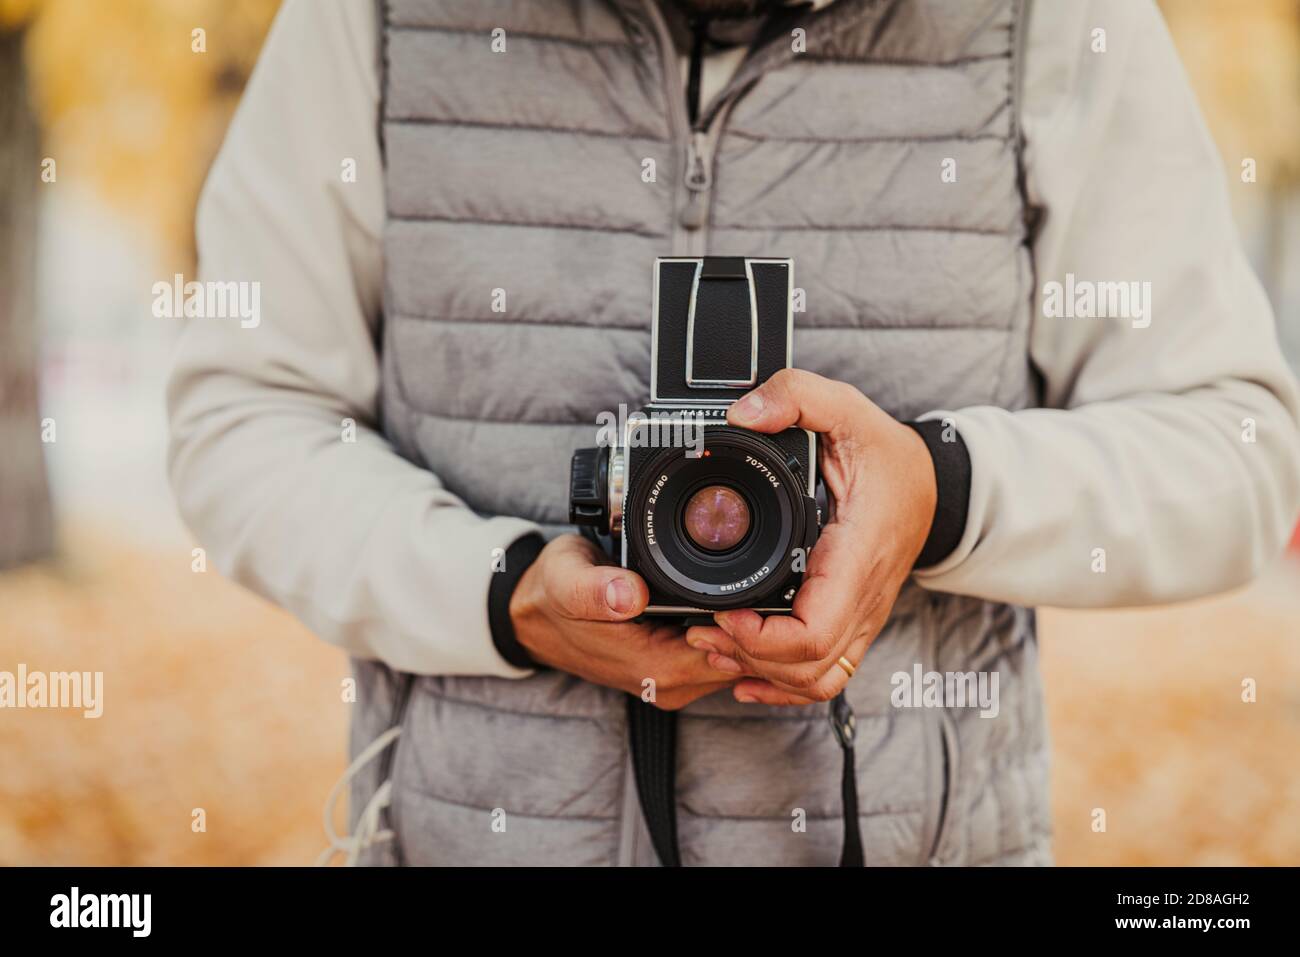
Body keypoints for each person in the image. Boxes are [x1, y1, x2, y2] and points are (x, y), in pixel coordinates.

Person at [167, 0, 1300, 866]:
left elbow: (1237, 453)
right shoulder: (373, 16)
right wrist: (500, 594)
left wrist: (940, 495)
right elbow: (243, 417)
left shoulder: (1048, 18)